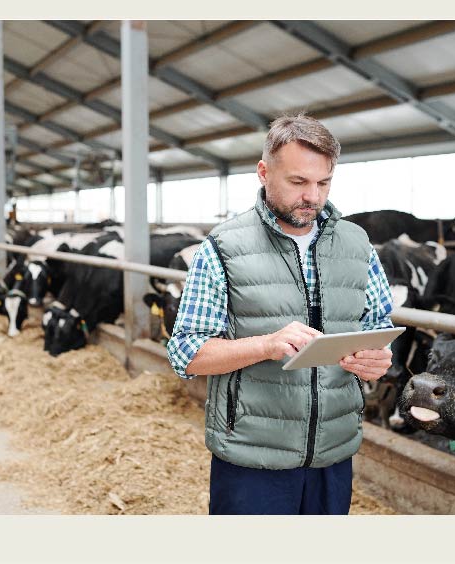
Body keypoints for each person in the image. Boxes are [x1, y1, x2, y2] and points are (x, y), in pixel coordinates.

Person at [166, 114, 395, 515]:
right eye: (298, 182)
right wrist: (266, 345)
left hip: (333, 454)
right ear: (263, 172)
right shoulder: (223, 247)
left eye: (323, 182)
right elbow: (186, 353)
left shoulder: (358, 245)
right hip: (252, 459)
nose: (313, 196)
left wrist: (377, 360)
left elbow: (377, 329)